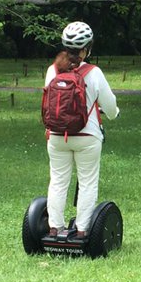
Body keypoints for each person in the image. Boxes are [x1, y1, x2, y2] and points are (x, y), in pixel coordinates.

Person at [44, 21, 119, 239]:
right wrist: (114, 113)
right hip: (87, 136)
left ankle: (55, 228)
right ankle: (83, 230)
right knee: (87, 182)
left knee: (58, 180)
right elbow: (110, 106)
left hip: (57, 136)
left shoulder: (53, 70)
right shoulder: (94, 72)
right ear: (87, 48)